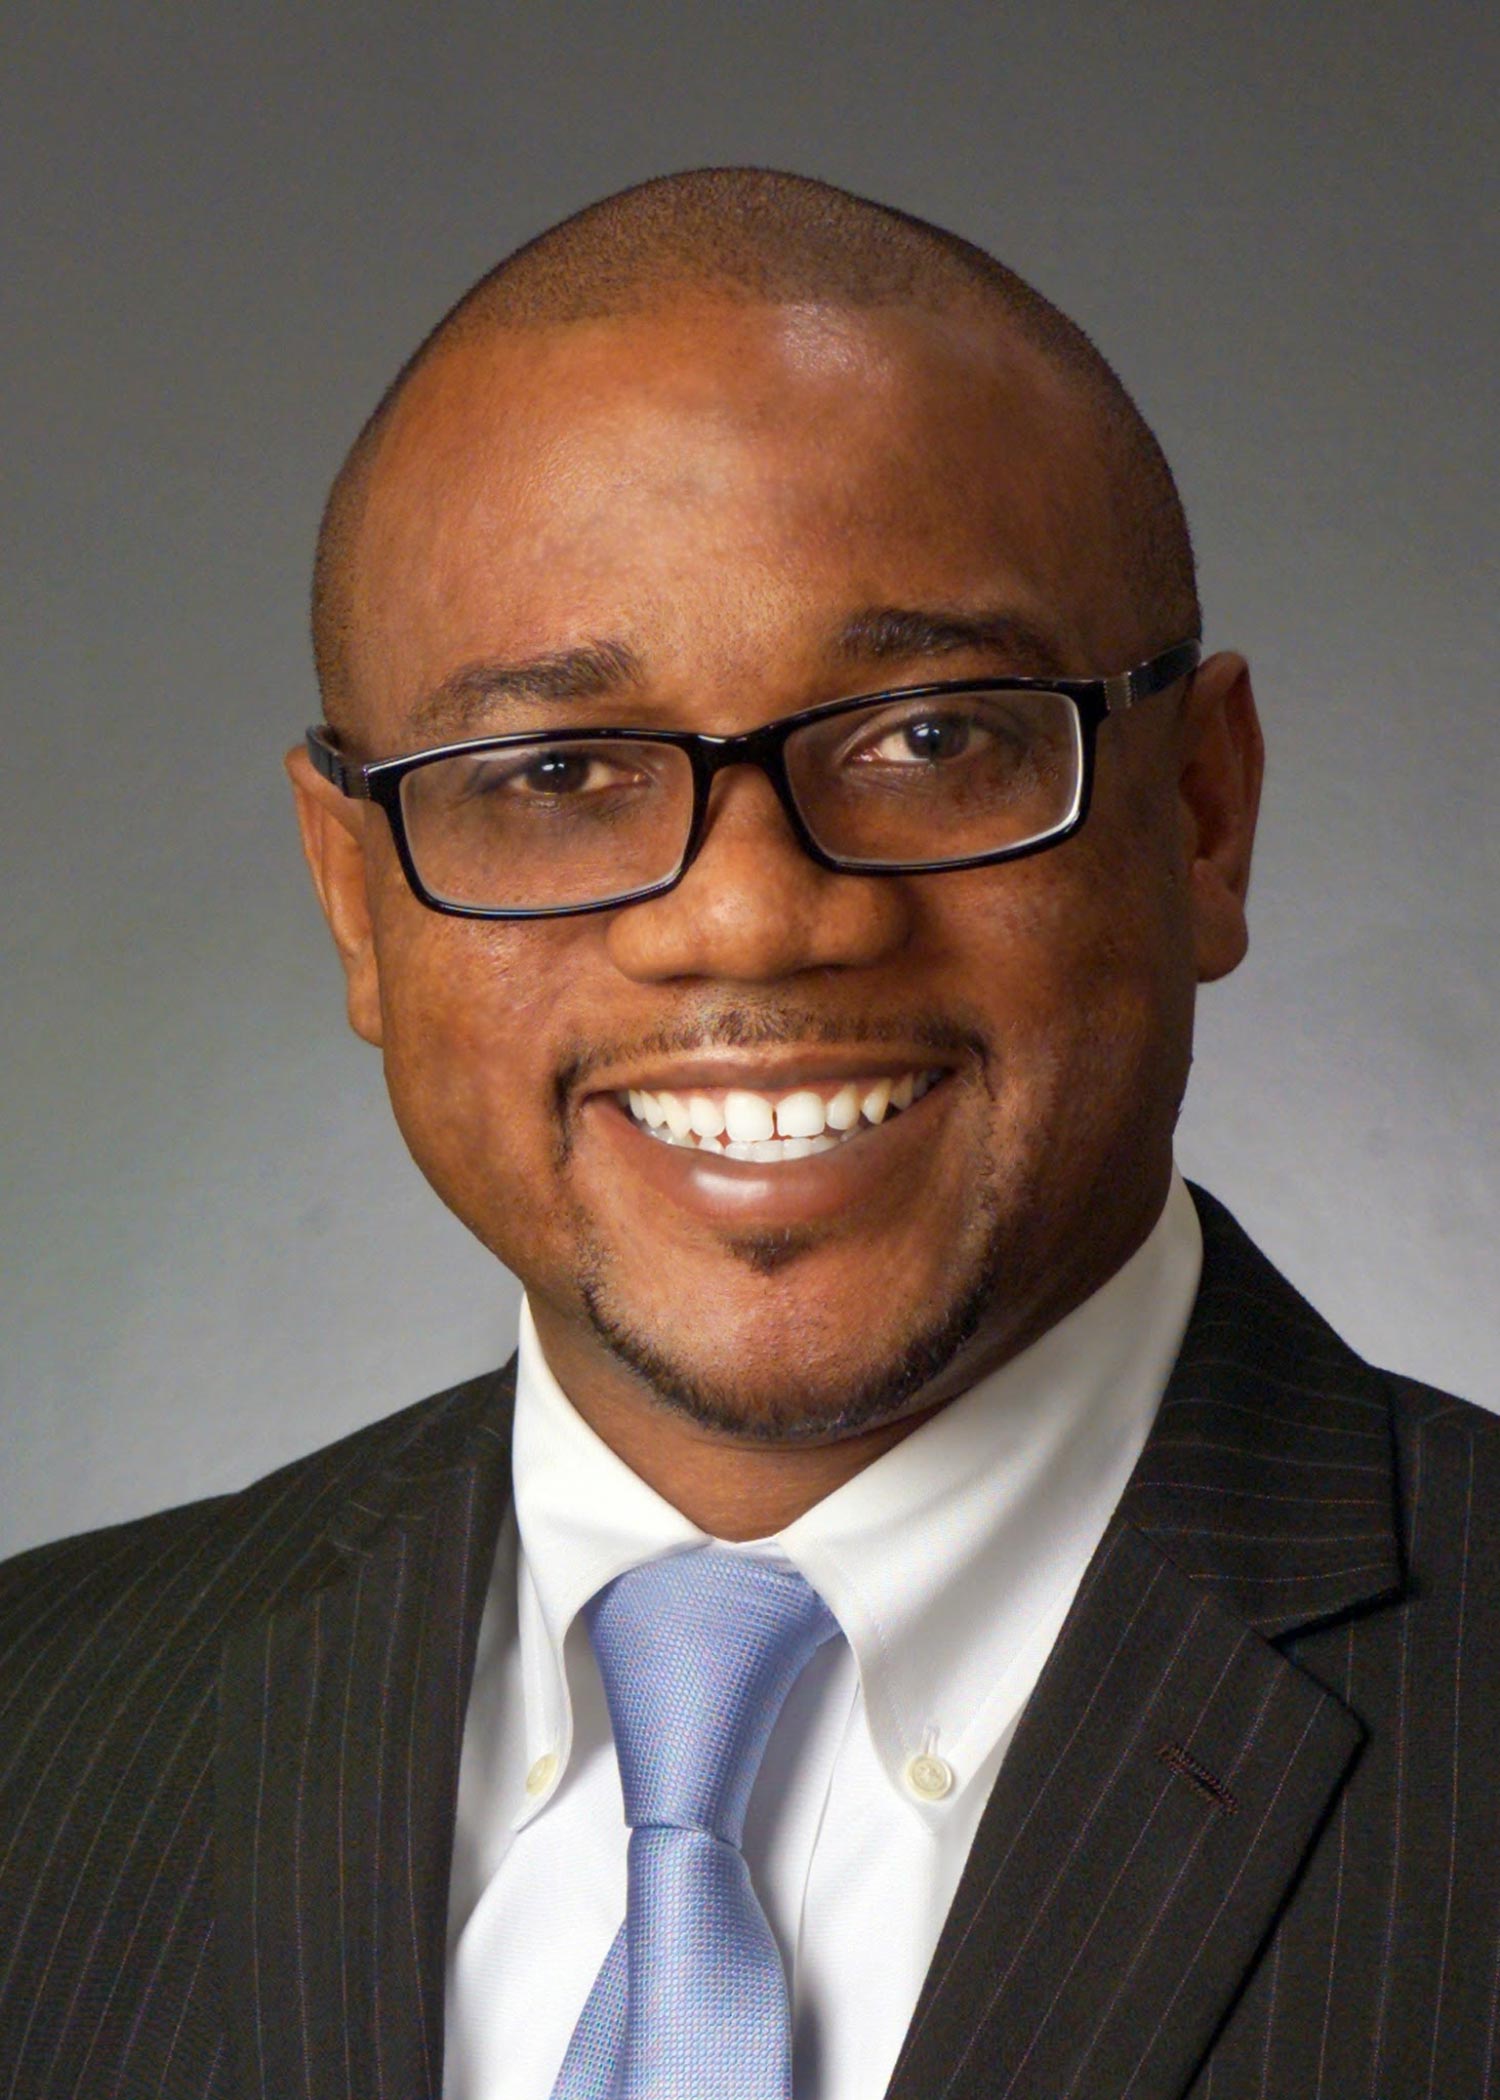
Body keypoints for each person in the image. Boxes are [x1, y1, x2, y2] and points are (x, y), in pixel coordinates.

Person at [1, 167, 1495, 2100]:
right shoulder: (42, 1734)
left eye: (933, 737)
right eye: (555, 772)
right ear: (355, 901)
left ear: (1203, 813)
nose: (750, 916)